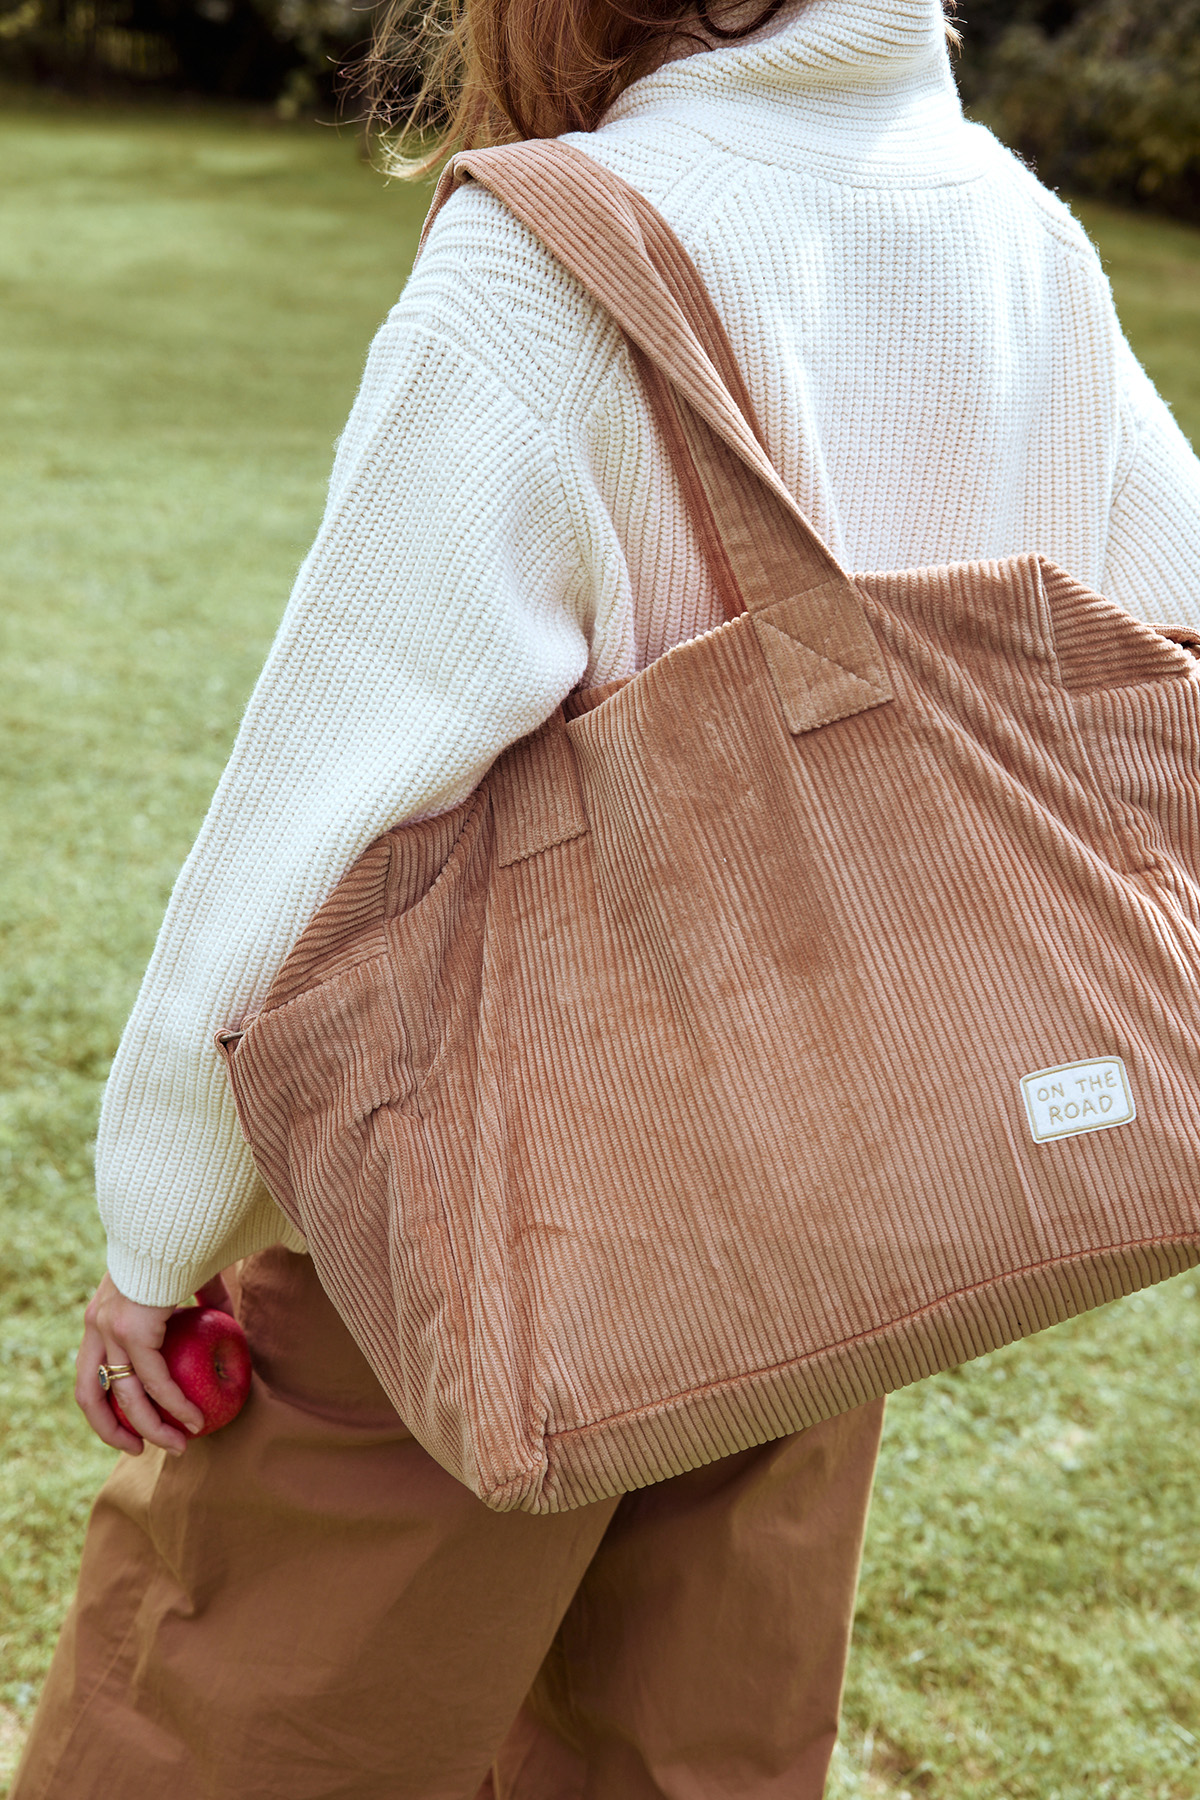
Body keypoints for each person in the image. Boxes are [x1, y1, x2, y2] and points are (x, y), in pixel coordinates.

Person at [15, 0, 1200, 1795]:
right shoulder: (1016, 233)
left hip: (481, 1225)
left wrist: (159, 1226)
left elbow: (335, 796)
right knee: (682, 1758)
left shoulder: (556, 259)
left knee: (228, 1742)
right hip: (842, 1223)